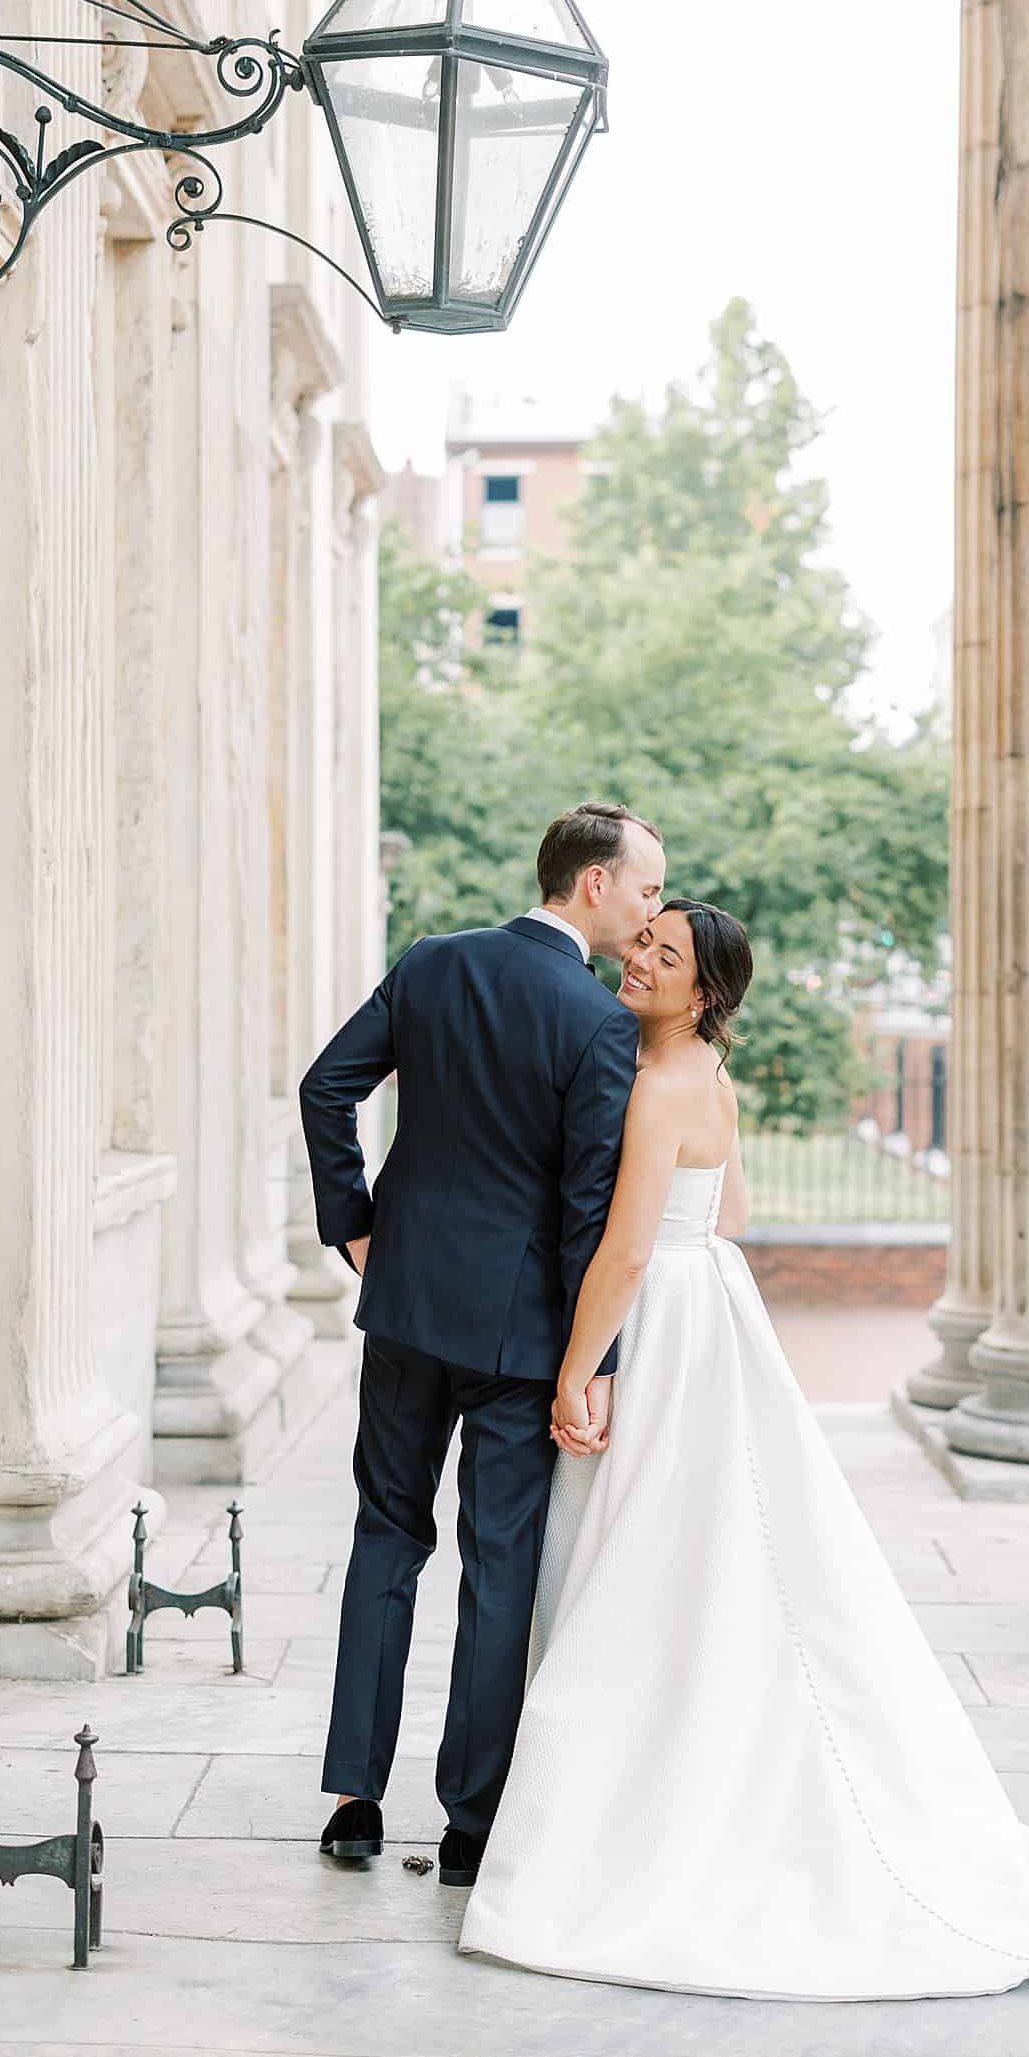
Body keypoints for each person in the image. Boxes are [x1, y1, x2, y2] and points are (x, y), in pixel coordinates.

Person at [459, 899, 1029, 1997]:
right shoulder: (707, 1073)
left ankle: (643, 1813)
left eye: (666, 955)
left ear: (703, 992)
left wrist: (573, 1370)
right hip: (716, 1312)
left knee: (645, 1555)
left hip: (660, 1324)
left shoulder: (657, 1086)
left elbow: (627, 1251)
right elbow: (730, 1213)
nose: (640, 959)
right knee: (713, 1545)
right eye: (642, 941)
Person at [297, 801, 666, 1887]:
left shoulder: (431, 963)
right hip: (517, 1338)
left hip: (405, 1306)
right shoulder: (599, 1023)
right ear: (591, 884)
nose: (650, 910)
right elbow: (584, 1212)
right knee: (496, 1567)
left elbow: (328, 1086)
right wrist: (587, 1369)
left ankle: (353, 1801)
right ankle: (469, 1821)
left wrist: (353, 1224)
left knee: (384, 1536)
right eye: (644, 887)